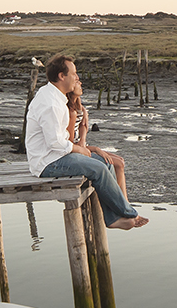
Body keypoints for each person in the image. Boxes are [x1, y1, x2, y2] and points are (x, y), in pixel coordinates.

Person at [24, 56, 148, 231]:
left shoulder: (55, 96)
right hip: (47, 162)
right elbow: (55, 142)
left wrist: (81, 147)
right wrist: (78, 149)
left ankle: (112, 218)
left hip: (58, 155)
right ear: (62, 76)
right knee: (98, 169)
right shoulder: (51, 103)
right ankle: (130, 213)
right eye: (74, 73)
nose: (76, 77)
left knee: (106, 162)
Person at [66, 76, 127, 199]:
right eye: (77, 83)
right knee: (117, 164)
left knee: (120, 161)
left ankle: (124, 201)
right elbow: (71, 144)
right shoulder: (70, 112)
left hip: (83, 148)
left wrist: (84, 136)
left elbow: (83, 128)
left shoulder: (80, 107)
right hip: (76, 152)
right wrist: (96, 149)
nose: (80, 83)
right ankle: (123, 203)